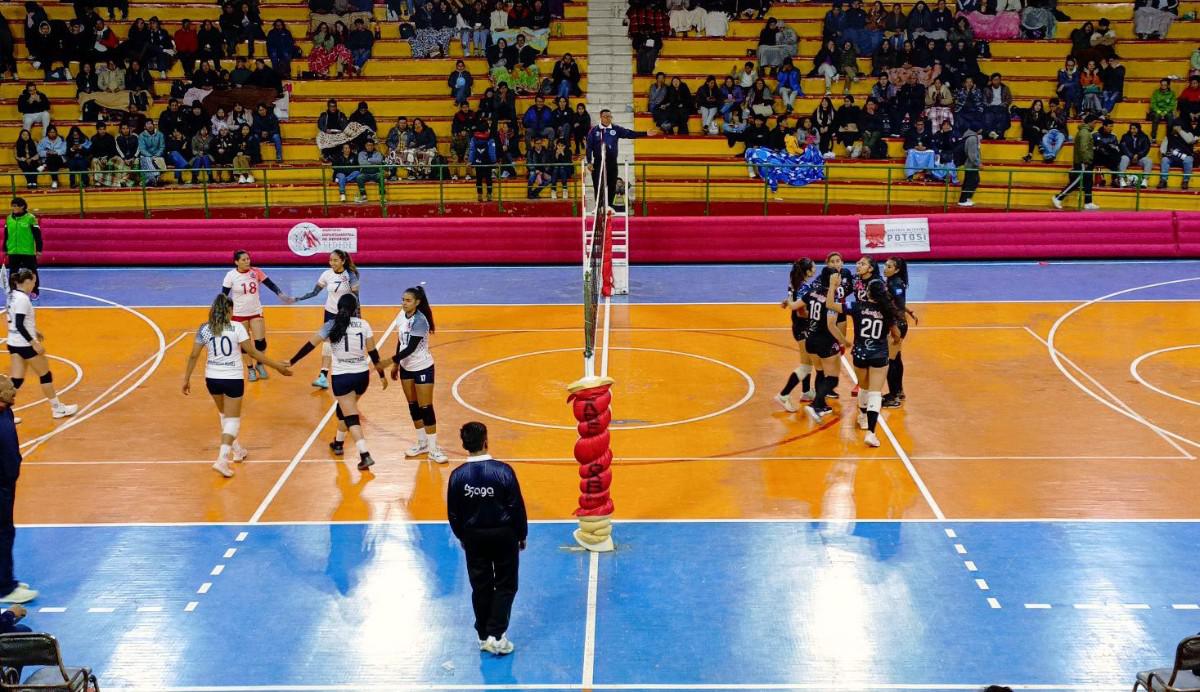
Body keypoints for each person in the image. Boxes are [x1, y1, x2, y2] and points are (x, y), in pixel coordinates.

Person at [182, 294, 290, 477]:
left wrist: (186, 378)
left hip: (212, 379)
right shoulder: (237, 327)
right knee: (232, 420)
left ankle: (237, 450)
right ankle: (222, 459)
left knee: (224, 415)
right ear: (229, 310)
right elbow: (253, 352)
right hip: (232, 378)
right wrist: (277, 366)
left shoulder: (205, 329)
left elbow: (193, 355)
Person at [447, 421, 527, 656]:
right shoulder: (503, 471)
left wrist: (463, 536)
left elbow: (453, 513)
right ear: (486, 441)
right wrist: (521, 534)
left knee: (480, 585)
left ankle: (483, 636)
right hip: (504, 536)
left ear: (464, 444)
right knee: (506, 584)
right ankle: (497, 635)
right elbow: (516, 507)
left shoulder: (457, 476)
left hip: (474, 538)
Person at [289, 294, 384, 471]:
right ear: (356, 308)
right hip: (362, 376)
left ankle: (365, 454)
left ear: (338, 307)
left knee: (351, 416)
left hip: (342, 377)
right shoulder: (364, 324)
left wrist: (292, 361)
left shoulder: (331, 325)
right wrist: (381, 374)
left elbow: (310, 345)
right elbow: (373, 351)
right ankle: (338, 443)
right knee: (344, 409)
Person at [826, 257, 902, 448]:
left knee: (864, 388)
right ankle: (871, 432)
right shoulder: (887, 312)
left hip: (860, 352)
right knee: (876, 393)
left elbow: (830, 305)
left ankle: (861, 415)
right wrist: (894, 337)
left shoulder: (857, 307)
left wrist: (833, 286)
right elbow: (896, 333)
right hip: (879, 354)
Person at [6, 269, 79, 420]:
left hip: (13, 342)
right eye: (33, 281)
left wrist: (34, 330)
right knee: (45, 374)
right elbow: (19, 323)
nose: (34, 284)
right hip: (24, 344)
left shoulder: (12, 296)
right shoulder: (23, 300)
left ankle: (3, 412)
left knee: (16, 380)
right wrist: (34, 343)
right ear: (26, 282)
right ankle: (57, 408)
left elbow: (16, 320)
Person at [388, 285, 448, 463]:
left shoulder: (420, 321)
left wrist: (388, 361)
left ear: (417, 302)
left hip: (422, 367)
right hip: (406, 367)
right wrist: (396, 365)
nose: (404, 303)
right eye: (403, 300)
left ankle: (433, 448)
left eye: (408, 301)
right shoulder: (401, 316)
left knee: (426, 407)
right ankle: (422, 443)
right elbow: (401, 341)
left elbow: (412, 347)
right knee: (413, 405)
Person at [292, 250, 360, 389]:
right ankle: (323, 376)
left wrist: (358, 317)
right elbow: (314, 292)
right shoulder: (326, 274)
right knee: (328, 342)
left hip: (346, 315)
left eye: (335, 260)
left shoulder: (351, 276)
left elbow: (356, 299)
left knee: (345, 344)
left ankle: (350, 372)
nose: (332, 263)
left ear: (343, 261)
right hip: (330, 313)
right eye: (330, 260)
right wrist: (297, 299)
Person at [221, 250, 294, 382]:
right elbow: (224, 295)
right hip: (238, 314)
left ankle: (260, 365)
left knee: (261, 342)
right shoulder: (230, 275)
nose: (247, 261)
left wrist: (281, 295)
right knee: (245, 344)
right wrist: (223, 312)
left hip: (255, 311)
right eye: (243, 260)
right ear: (236, 262)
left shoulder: (256, 272)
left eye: (248, 259)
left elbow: (270, 284)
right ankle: (250, 369)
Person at [0, 374, 36, 604]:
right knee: (2, 533)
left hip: (5, 482)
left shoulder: (5, 412)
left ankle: (5, 580)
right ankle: (5, 588)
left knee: (5, 532)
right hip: (0, 485)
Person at [584, 109, 657, 206]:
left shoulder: (616, 129)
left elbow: (629, 133)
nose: (608, 118)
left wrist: (645, 133)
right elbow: (589, 147)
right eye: (605, 116)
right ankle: (599, 208)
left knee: (611, 186)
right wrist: (589, 161)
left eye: (609, 116)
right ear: (600, 117)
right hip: (598, 162)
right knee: (598, 186)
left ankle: (609, 208)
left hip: (612, 163)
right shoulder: (594, 130)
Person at [775, 258, 818, 412]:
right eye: (813, 267)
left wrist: (788, 301)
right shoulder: (805, 287)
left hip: (798, 327)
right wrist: (818, 315)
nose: (815, 268)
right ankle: (783, 395)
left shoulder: (795, 282)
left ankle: (806, 392)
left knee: (809, 362)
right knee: (806, 366)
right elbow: (801, 312)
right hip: (803, 328)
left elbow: (793, 299)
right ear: (807, 271)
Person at [882, 257, 915, 407]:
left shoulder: (895, 284)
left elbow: (897, 303)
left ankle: (894, 397)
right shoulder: (892, 281)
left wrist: (893, 322)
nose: (885, 268)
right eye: (885, 265)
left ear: (896, 270)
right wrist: (909, 311)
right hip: (899, 323)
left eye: (889, 266)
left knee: (891, 360)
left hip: (897, 325)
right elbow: (899, 303)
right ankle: (899, 391)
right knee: (897, 357)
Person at [1052, 114, 1099, 210]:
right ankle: (1058, 197)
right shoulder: (1085, 133)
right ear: (1090, 122)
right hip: (1083, 161)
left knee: (1088, 182)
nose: (1095, 125)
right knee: (1077, 181)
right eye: (1094, 123)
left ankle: (1088, 202)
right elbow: (1083, 148)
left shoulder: (1084, 132)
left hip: (1084, 161)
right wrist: (1086, 161)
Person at [3, 198, 41, 298]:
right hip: (13, 251)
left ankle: (34, 291)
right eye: (13, 206)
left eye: (15, 206)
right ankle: (13, 290)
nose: (13, 208)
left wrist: (39, 249)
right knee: (13, 272)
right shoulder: (9, 218)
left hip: (27, 251)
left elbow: (37, 235)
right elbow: (6, 234)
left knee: (32, 272)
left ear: (22, 206)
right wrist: (5, 248)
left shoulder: (31, 218)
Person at [1158, 123, 1195, 190]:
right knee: (1165, 160)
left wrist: (1180, 131)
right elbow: (1162, 149)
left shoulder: (1188, 134)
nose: (1175, 128)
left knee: (1189, 159)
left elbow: (1190, 140)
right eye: (1174, 127)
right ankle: (1163, 181)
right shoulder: (1168, 137)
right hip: (1172, 158)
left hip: (1184, 158)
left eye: (1177, 127)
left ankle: (1185, 181)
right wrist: (1165, 154)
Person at [1117, 122, 1152, 188]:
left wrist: (1138, 155)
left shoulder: (1144, 137)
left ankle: (1145, 180)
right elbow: (1123, 148)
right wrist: (1132, 156)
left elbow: (1146, 149)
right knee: (1123, 158)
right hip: (1128, 157)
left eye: (1134, 129)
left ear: (1138, 129)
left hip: (1139, 158)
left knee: (1148, 161)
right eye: (1131, 129)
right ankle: (1121, 179)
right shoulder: (1125, 136)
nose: (1132, 130)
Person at [957, 127, 980, 206]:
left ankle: (965, 199)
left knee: (970, 182)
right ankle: (963, 200)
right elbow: (972, 154)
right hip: (971, 165)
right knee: (971, 182)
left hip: (970, 164)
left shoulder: (970, 136)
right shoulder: (972, 138)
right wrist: (978, 163)